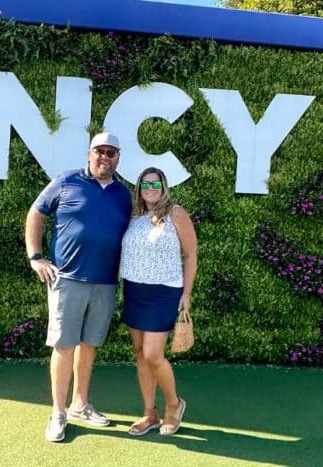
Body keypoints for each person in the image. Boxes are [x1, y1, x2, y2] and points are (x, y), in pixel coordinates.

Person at [25, 132, 132, 442]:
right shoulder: (66, 180)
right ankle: (58, 412)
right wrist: (36, 257)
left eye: (111, 153)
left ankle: (80, 405)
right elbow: (36, 212)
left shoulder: (124, 195)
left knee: (89, 345)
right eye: (100, 151)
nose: (105, 157)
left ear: (118, 158)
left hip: (105, 282)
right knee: (64, 345)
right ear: (89, 153)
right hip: (67, 280)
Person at [119, 166, 198, 436]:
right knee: (140, 353)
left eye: (156, 184)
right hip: (134, 290)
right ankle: (149, 413)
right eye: (146, 184)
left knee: (153, 354)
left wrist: (186, 294)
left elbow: (191, 255)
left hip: (163, 292)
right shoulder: (134, 216)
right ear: (139, 188)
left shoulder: (175, 213)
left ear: (164, 187)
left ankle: (174, 404)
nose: (151, 189)